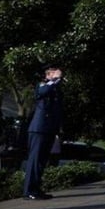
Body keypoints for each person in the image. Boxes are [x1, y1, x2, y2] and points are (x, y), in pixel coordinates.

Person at [23, 63, 65, 200]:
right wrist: (54, 79)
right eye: (54, 72)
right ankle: (28, 191)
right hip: (39, 129)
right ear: (48, 74)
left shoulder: (55, 87)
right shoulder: (42, 85)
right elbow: (42, 92)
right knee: (35, 160)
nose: (58, 74)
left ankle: (36, 189)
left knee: (42, 161)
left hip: (49, 129)